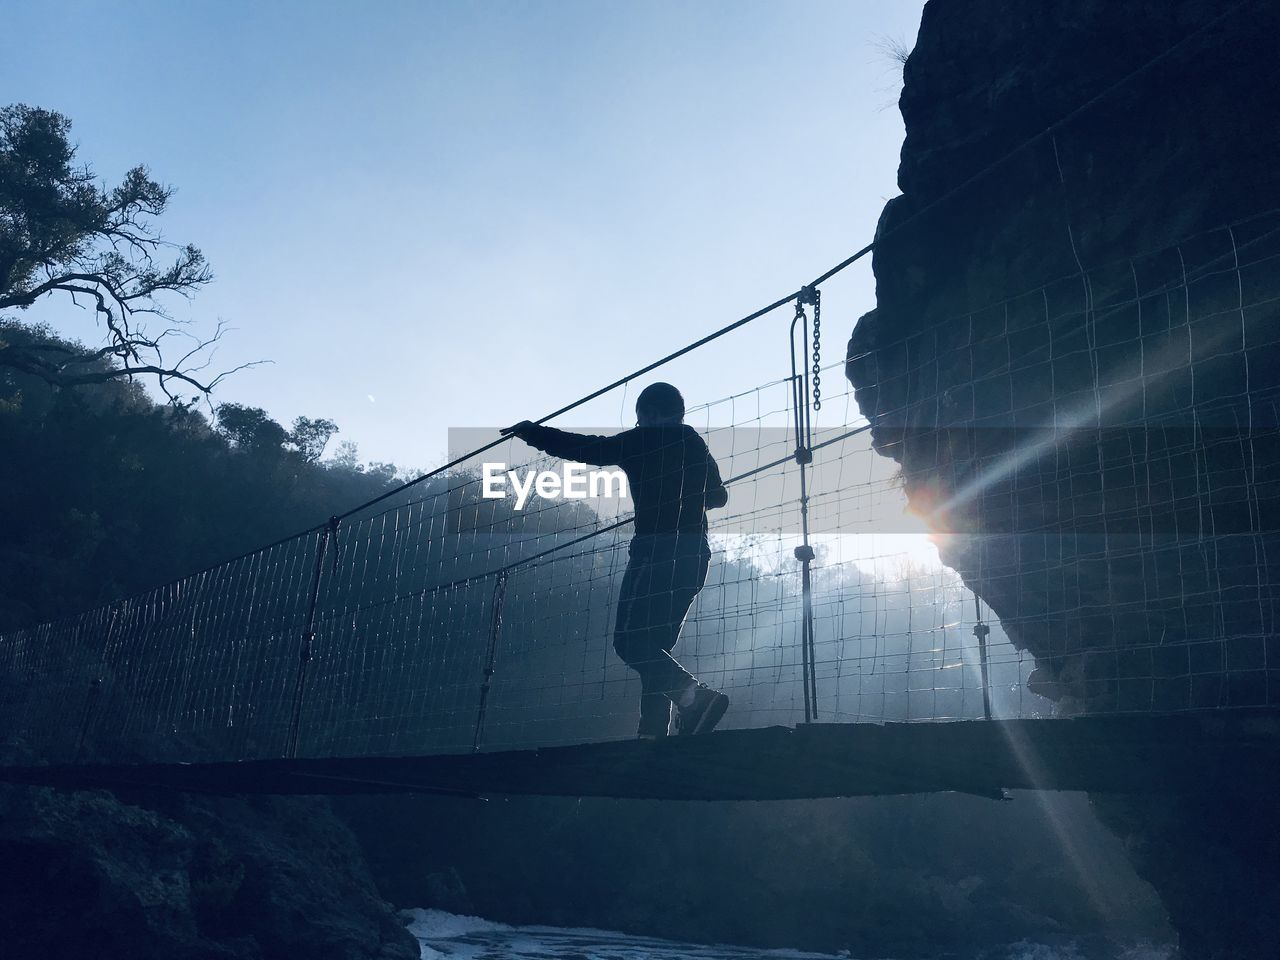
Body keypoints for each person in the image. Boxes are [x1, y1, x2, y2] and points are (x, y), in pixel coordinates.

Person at [504, 382, 730, 738]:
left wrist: (532, 432)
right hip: (694, 555)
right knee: (653, 647)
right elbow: (719, 497)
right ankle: (652, 731)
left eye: (640, 420)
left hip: (656, 552)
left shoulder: (643, 440)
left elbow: (585, 448)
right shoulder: (694, 443)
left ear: (650, 414)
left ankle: (696, 699)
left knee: (629, 642)